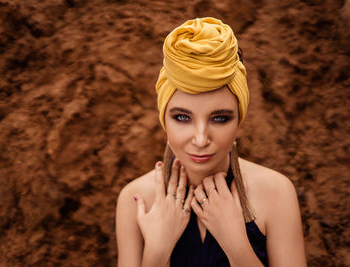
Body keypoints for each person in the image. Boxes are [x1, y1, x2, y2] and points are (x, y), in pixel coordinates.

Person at [116, 17, 307, 267]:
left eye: (219, 118)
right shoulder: (136, 201)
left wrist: (237, 245)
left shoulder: (276, 194)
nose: (200, 139)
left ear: (239, 120)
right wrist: (157, 251)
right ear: (164, 118)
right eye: (182, 117)